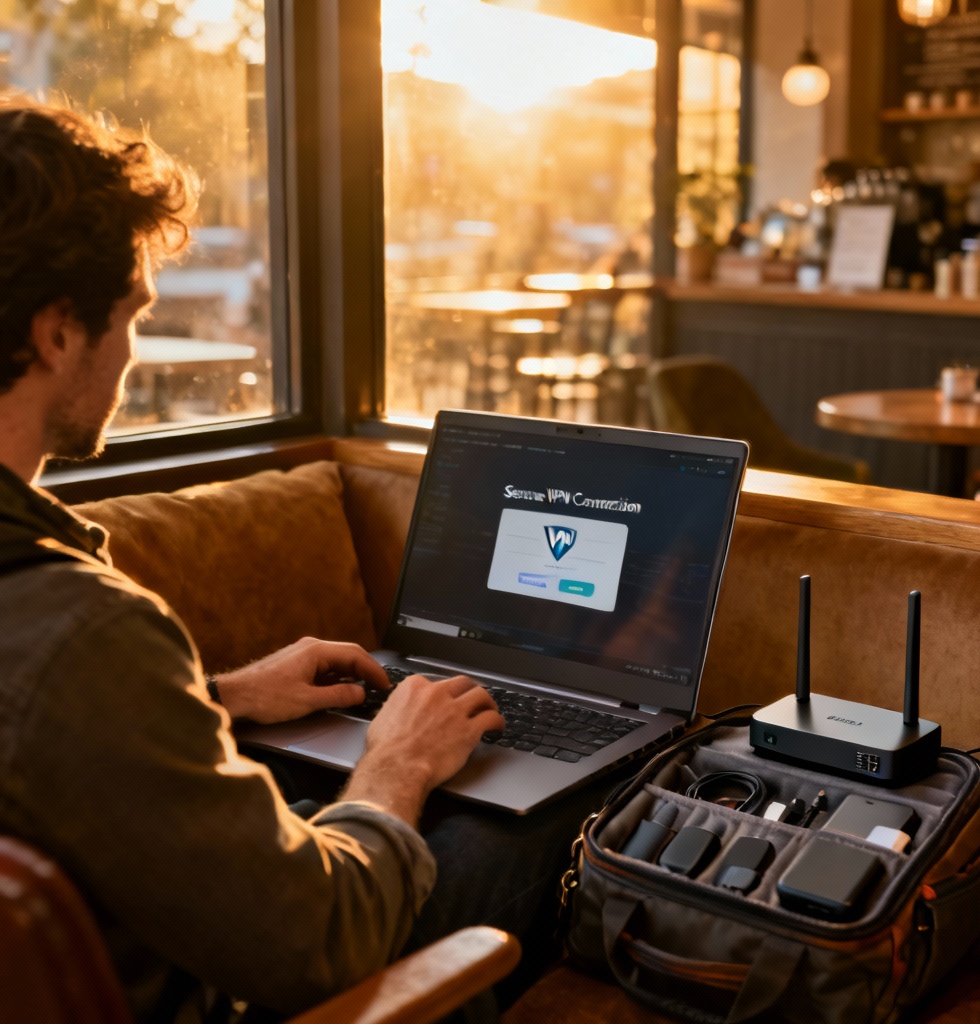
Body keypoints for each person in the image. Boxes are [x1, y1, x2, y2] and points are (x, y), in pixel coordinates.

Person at [0, 91, 601, 1023]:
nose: (130, 351)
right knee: (570, 808)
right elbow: (323, 941)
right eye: (131, 314)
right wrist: (396, 765)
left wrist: (220, 698)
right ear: (56, 331)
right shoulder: (79, 632)